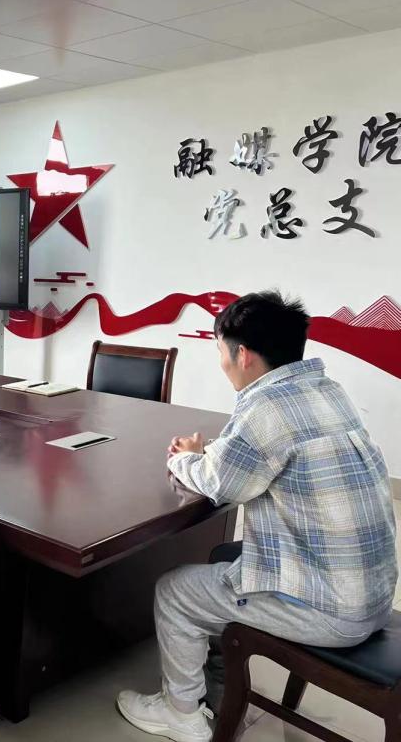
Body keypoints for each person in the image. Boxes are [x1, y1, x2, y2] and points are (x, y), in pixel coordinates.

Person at [116, 291, 397, 742]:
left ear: (242, 354)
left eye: (220, 352)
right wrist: (208, 454)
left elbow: (222, 484)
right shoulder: (326, 390)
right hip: (372, 591)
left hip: (332, 610)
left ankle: (181, 714)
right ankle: (220, 687)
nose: (221, 363)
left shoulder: (266, 407)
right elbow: (258, 457)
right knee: (224, 556)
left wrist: (184, 459)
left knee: (175, 590)